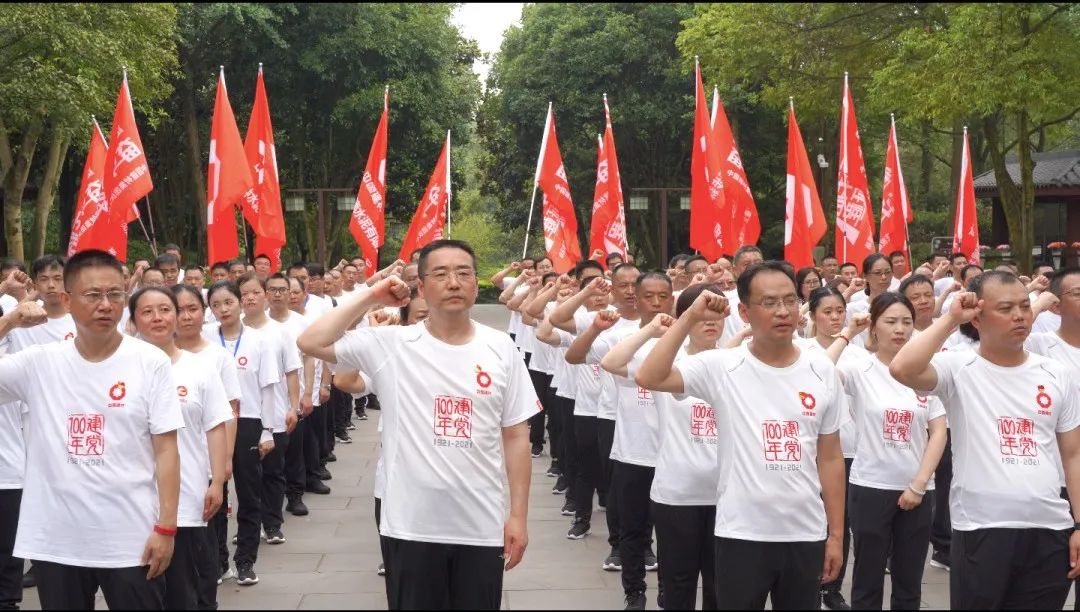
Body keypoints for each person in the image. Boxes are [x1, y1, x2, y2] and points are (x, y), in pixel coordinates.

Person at [298, 239, 538, 610]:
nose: (453, 282)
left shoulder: (501, 348)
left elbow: (517, 435)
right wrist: (371, 295)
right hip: (410, 524)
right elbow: (310, 341)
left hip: (481, 523)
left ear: (476, 285)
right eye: (441, 274)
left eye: (463, 273)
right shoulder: (391, 343)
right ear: (421, 287)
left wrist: (518, 517)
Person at [635, 261, 846, 610]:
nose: (783, 311)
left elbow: (830, 457)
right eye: (769, 302)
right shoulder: (721, 365)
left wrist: (835, 535)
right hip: (741, 533)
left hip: (805, 532)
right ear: (745, 312)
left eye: (790, 300)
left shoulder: (821, 368)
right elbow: (650, 376)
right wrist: (689, 318)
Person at [0, 249, 182, 610]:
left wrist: (166, 528)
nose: (106, 305)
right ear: (67, 300)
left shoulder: (150, 362)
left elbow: (166, 451)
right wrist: (9, 321)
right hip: (57, 541)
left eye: (115, 294)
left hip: (130, 539)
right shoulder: (39, 363)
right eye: (93, 295)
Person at [890, 271, 1080, 608]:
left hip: (1049, 528)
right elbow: (902, 368)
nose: (1020, 316)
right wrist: (950, 318)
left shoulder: (1056, 374)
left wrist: (1079, 524)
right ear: (977, 317)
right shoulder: (958, 367)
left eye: (1025, 306)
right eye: (1005, 308)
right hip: (982, 527)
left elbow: (1073, 455)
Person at [601, 282, 723, 610]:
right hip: (677, 493)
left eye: (717, 314)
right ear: (685, 317)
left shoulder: (734, 361)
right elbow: (612, 362)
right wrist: (653, 330)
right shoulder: (666, 361)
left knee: (720, 585)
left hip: (727, 494)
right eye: (701, 315)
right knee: (678, 583)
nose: (710, 321)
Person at [828, 292, 947, 609]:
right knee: (867, 581)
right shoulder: (859, 370)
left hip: (918, 490)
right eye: (891, 321)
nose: (900, 329)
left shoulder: (926, 371)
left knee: (909, 582)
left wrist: (918, 484)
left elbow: (938, 432)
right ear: (874, 327)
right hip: (870, 487)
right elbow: (818, 374)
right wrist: (848, 333)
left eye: (907, 322)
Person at [129, 287, 231, 609]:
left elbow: (215, 425)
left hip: (186, 499)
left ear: (175, 315)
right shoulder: (123, 369)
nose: (157, 318)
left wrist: (217, 481)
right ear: (133, 321)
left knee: (185, 590)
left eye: (165, 309)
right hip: (131, 502)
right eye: (147, 312)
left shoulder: (200, 368)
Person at [577, 271, 673, 609]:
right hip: (633, 452)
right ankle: (634, 592)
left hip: (673, 457)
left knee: (673, 535)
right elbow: (585, 356)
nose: (656, 303)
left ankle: (668, 591)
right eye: (649, 296)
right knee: (633, 530)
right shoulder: (624, 338)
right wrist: (647, 331)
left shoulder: (684, 340)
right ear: (636, 298)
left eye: (664, 296)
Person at [552, 265, 642, 574]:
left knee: (648, 486)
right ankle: (615, 543)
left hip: (652, 416)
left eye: (635, 284)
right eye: (623, 285)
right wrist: (588, 292)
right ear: (612, 289)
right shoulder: (606, 321)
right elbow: (558, 322)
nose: (630, 291)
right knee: (612, 481)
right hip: (608, 413)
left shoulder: (664, 323)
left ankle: (644, 546)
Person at [203, 280, 281, 586]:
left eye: (228, 302)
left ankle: (245, 560)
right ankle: (219, 562)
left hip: (248, 421)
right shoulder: (205, 338)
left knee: (249, 493)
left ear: (240, 302)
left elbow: (268, 388)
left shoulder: (259, 341)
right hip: (213, 424)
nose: (223, 309)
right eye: (216, 304)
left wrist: (267, 430)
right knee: (215, 492)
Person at [172, 284, 240, 595]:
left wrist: (224, 461)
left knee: (206, 536)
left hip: (206, 462)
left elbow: (230, 412)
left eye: (193, 309)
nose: (186, 316)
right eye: (178, 310)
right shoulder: (151, 356)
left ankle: (206, 591)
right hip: (165, 465)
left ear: (204, 312)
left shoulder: (218, 357)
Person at [238, 274, 301, 546]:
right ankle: (248, 527)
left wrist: (294, 407)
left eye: (255, 292)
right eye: (244, 293)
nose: (250, 298)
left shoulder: (279, 332)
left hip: (274, 412)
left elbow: (292, 371)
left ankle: (273, 524)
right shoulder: (231, 332)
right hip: (242, 416)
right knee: (246, 477)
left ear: (264, 294)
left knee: (273, 471)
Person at [265, 273, 316, 518]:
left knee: (295, 449)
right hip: (266, 399)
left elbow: (309, 359)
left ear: (290, 293)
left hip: (293, 396)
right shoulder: (255, 323)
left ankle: (295, 495)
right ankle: (267, 503)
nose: (277, 294)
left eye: (282, 290)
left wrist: (308, 393)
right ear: (266, 293)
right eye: (272, 290)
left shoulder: (301, 323)